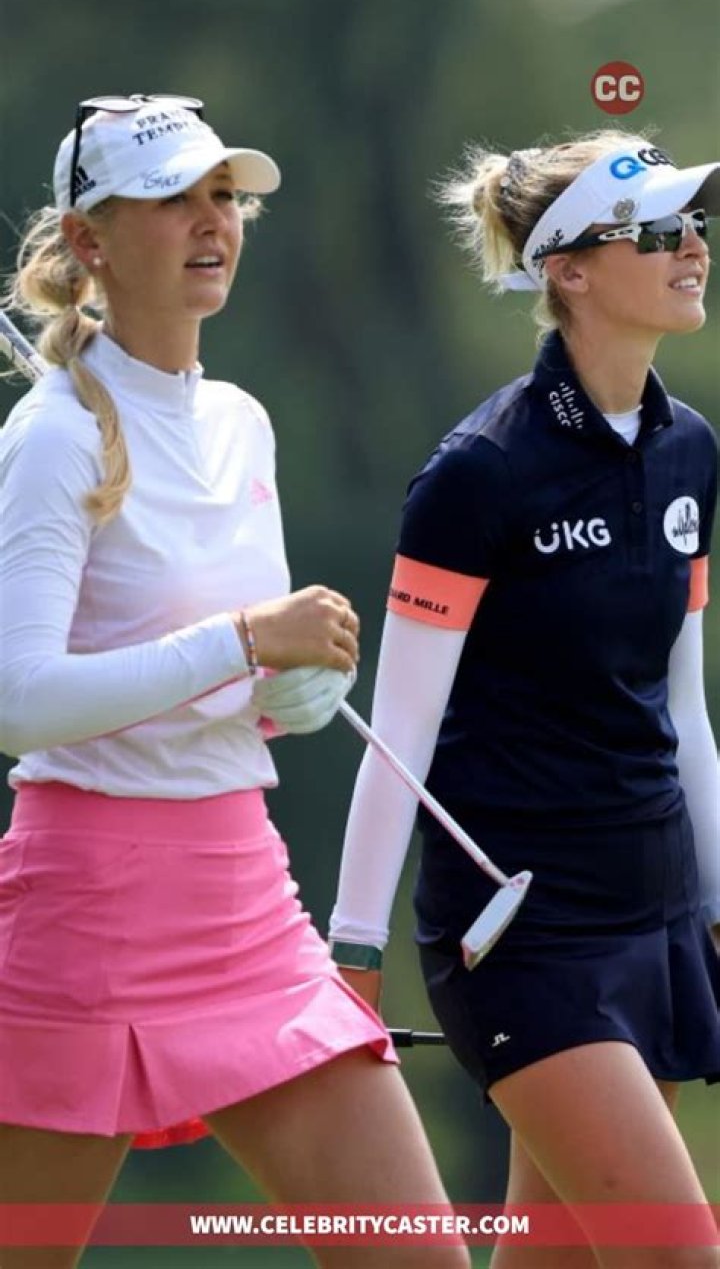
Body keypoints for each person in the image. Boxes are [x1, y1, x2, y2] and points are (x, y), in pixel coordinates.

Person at [0, 94, 470, 1269]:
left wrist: (283, 690)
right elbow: (20, 700)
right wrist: (246, 643)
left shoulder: (240, 420)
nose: (213, 221)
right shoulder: (53, 437)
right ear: (91, 239)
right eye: (174, 200)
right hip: (89, 910)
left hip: (244, 898)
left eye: (225, 196)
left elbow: (229, 676)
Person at [329, 129, 720, 1269]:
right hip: (523, 931)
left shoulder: (690, 450)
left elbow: (684, 713)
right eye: (658, 231)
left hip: (651, 911)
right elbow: (397, 734)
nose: (693, 246)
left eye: (695, 224)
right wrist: (353, 951)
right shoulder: (477, 474)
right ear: (569, 269)